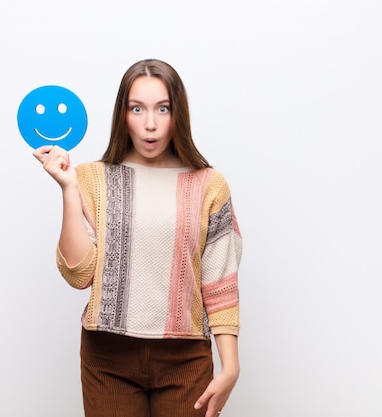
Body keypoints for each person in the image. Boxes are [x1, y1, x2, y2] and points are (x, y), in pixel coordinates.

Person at [33, 59, 242, 417]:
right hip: (107, 357)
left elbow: (219, 280)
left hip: (185, 358)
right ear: (123, 115)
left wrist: (231, 366)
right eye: (137, 109)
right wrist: (68, 189)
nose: (150, 124)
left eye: (163, 109)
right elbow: (79, 274)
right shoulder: (91, 178)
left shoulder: (209, 184)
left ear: (179, 114)